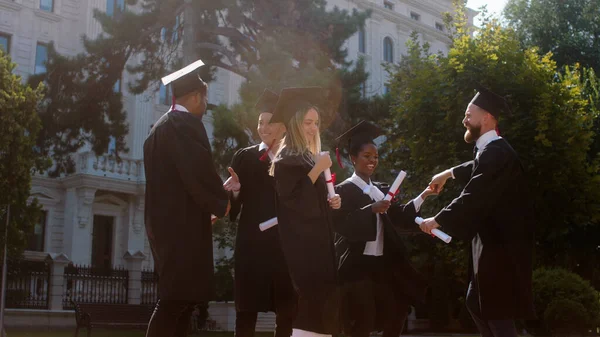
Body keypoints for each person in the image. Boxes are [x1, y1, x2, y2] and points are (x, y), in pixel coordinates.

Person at [419, 86, 536, 337]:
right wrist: (447, 174)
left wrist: (437, 220)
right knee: (477, 304)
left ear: (486, 117)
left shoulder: (496, 152)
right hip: (492, 246)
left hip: (501, 249)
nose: (464, 119)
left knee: (496, 314)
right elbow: (475, 167)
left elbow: (474, 195)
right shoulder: (492, 151)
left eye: (469, 114)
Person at [143, 60, 231, 337]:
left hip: (165, 226)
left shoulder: (157, 129)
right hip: (182, 229)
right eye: (205, 99)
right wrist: (224, 200)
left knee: (181, 302)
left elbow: (183, 179)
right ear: (195, 97)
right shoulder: (185, 125)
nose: (205, 106)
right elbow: (199, 174)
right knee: (173, 301)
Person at [333, 121, 433, 337]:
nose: (372, 161)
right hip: (357, 266)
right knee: (362, 321)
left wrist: (424, 194)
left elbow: (400, 216)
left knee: (397, 312)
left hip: (383, 265)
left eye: (375, 157)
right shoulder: (343, 191)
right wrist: (371, 209)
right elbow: (342, 225)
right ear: (353, 158)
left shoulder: (381, 190)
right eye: (367, 156)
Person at [269, 87, 342, 337]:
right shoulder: (286, 160)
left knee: (323, 302)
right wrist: (319, 168)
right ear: (295, 123)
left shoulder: (308, 158)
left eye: (316, 123)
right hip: (302, 246)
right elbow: (296, 202)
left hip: (319, 241)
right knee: (311, 302)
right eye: (308, 122)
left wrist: (331, 201)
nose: (313, 128)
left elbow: (313, 199)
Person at [223, 89, 296, 337]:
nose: (263, 128)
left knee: (286, 312)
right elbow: (234, 206)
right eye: (260, 122)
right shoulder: (245, 157)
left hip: (284, 246)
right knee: (247, 312)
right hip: (252, 244)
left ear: (283, 127)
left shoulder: (293, 159)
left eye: (270, 123)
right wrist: (235, 191)